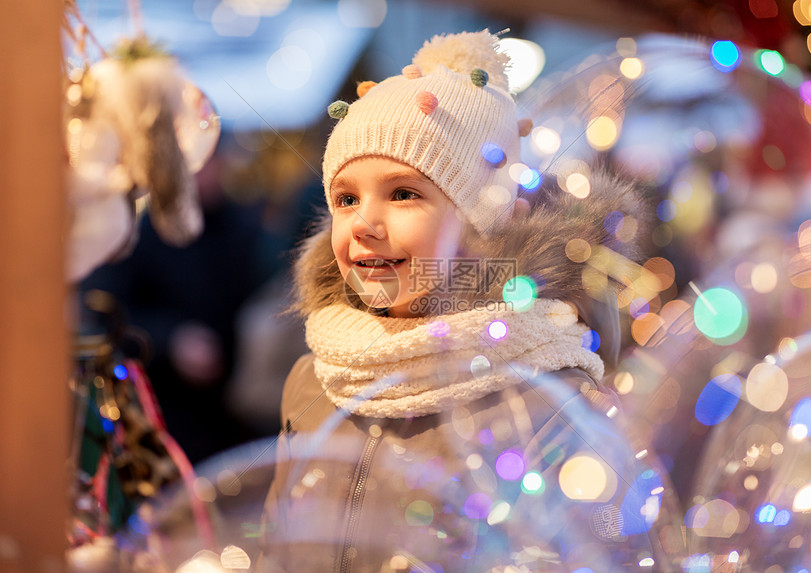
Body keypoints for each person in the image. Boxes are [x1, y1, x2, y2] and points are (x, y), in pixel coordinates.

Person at [257, 30, 671, 572]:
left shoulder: (549, 405)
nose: (363, 224)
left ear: (489, 225)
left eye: (404, 193)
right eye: (346, 197)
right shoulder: (315, 379)